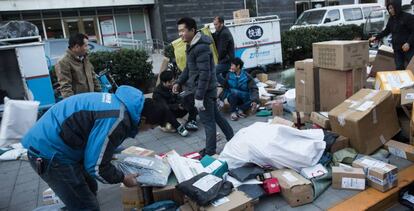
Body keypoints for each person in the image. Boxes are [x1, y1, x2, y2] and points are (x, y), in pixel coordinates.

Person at [22, 85, 169, 211]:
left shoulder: (125, 105)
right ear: (143, 119)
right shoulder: (117, 118)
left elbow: (103, 145)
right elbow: (96, 167)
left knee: (90, 187)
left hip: (62, 142)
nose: (148, 131)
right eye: (151, 127)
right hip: (49, 154)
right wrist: (123, 178)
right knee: (87, 206)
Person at [173, 17, 234, 156]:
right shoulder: (192, 45)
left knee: (208, 122)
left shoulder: (200, 47)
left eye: (183, 30)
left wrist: (199, 97)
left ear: (192, 30)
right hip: (206, 90)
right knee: (217, 117)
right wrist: (179, 82)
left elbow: (204, 74)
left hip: (205, 92)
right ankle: (232, 137)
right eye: (179, 31)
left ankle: (210, 151)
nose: (180, 34)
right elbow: (189, 68)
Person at [369, 0, 414, 70]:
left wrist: (408, 43)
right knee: (399, 67)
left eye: (391, 8)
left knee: (411, 67)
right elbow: (386, 31)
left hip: (409, 48)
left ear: (397, 7)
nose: (390, 11)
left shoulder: (408, 17)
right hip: (397, 49)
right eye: (389, 9)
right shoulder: (391, 19)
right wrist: (376, 37)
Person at [153, 70, 199, 137]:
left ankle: (191, 121)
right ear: (164, 82)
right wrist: (177, 106)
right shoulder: (157, 93)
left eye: (173, 81)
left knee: (189, 99)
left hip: (176, 109)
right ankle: (179, 127)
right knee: (166, 111)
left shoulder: (173, 86)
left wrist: (178, 97)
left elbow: (178, 99)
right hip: (166, 114)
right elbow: (164, 107)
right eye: (170, 82)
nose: (172, 83)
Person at [56, 33, 102, 98]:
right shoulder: (63, 62)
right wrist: (73, 105)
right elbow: (65, 87)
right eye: (86, 46)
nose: (88, 48)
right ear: (77, 47)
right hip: (79, 102)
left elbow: (93, 77)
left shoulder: (84, 57)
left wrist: (99, 94)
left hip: (91, 99)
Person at [212, 16, 235, 86]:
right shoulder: (220, 31)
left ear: (221, 24)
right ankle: (230, 87)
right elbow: (214, 36)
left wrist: (218, 59)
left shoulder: (224, 33)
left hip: (226, 60)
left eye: (216, 24)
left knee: (213, 72)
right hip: (226, 59)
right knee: (226, 76)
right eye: (214, 25)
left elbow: (222, 49)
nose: (215, 26)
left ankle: (226, 86)